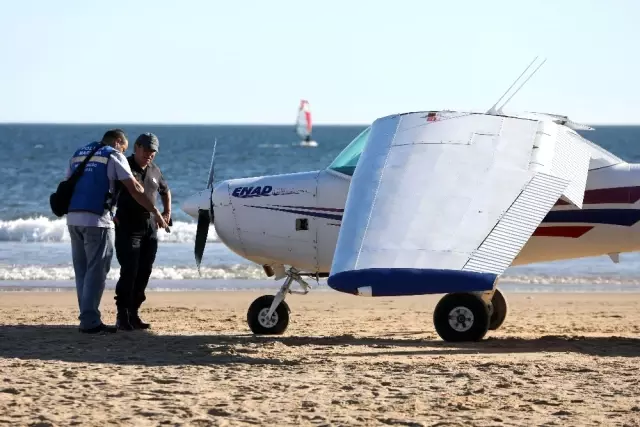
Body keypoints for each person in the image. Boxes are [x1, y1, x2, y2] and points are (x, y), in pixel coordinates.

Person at [65, 129, 168, 334]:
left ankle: (88, 317)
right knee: (97, 271)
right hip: (97, 219)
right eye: (125, 147)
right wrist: (155, 210)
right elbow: (134, 188)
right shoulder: (113, 154)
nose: (124, 151)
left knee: (83, 272)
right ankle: (90, 321)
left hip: (73, 218)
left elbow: (67, 184)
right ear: (119, 142)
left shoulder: (79, 153)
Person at [113, 132, 172, 331]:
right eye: (146, 149)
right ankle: (122, 314)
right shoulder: (124, 166)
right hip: (128, 226)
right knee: (129, 270)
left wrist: (167, 212)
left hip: (150, 228)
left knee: (144, 271)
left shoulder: (155, 170)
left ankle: (134, 312)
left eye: (153, 151)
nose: (149, 154)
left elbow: (165, 190)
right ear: (136, 147)